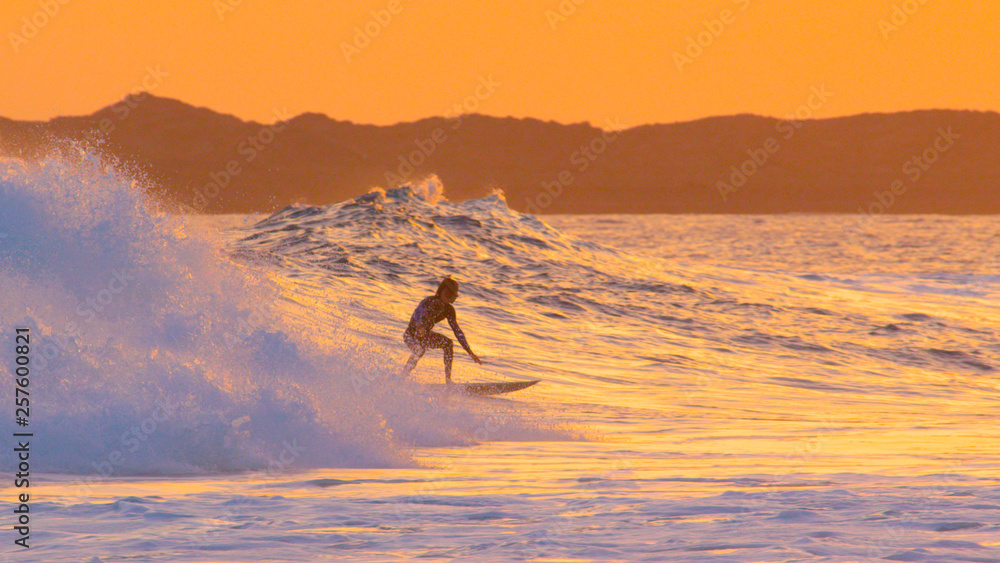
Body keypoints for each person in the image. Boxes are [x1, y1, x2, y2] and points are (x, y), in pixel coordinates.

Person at [403, 276, 481, 383]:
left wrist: (470, 352)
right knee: (420, 350)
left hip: (424, 336)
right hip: (410, 335)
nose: (457, 295)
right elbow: (418, 313)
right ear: (446, 292)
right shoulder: (429, 301)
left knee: (448, 344)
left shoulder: (449, 310)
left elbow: (457, 331)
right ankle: (402, 377)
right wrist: (419, 325)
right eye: (455, 292)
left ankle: (448, 380)